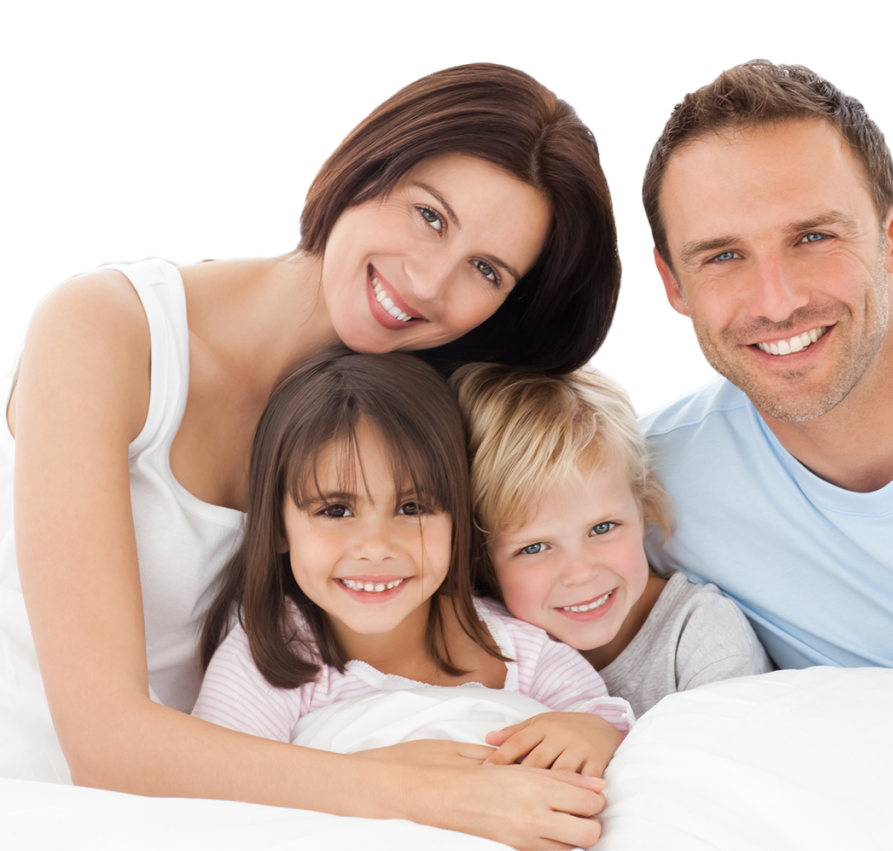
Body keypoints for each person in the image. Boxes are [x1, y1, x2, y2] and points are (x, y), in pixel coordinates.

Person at [0, 62, 621, 849]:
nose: (430, 280)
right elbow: (104, 740)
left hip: (222, 809)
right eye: (430, 216)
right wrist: (409, 789)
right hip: (35, 795)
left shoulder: (400, 429)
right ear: (369, 165)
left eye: (486, 270)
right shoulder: (105, 330)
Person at [637, 58, 893, 706]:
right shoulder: (646, 489)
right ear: (672, 283)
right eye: (723, 256)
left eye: (813, 236)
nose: (777, 300)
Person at [192, 350, 631, 777]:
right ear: (279, 527)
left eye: (412, 506)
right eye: (336, 511)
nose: (377, 547)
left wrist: (593, 731)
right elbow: (216, 779)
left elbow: (604, 724)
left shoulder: (517, 648)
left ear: (456, 516)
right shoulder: (273, 655)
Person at [451, 363, 771, 718]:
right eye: (534, 548)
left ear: (643, 505)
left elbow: (725, 765)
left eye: (602, 528)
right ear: (480, 559)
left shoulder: (701, 636)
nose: (581, 573)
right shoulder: (489, 647)